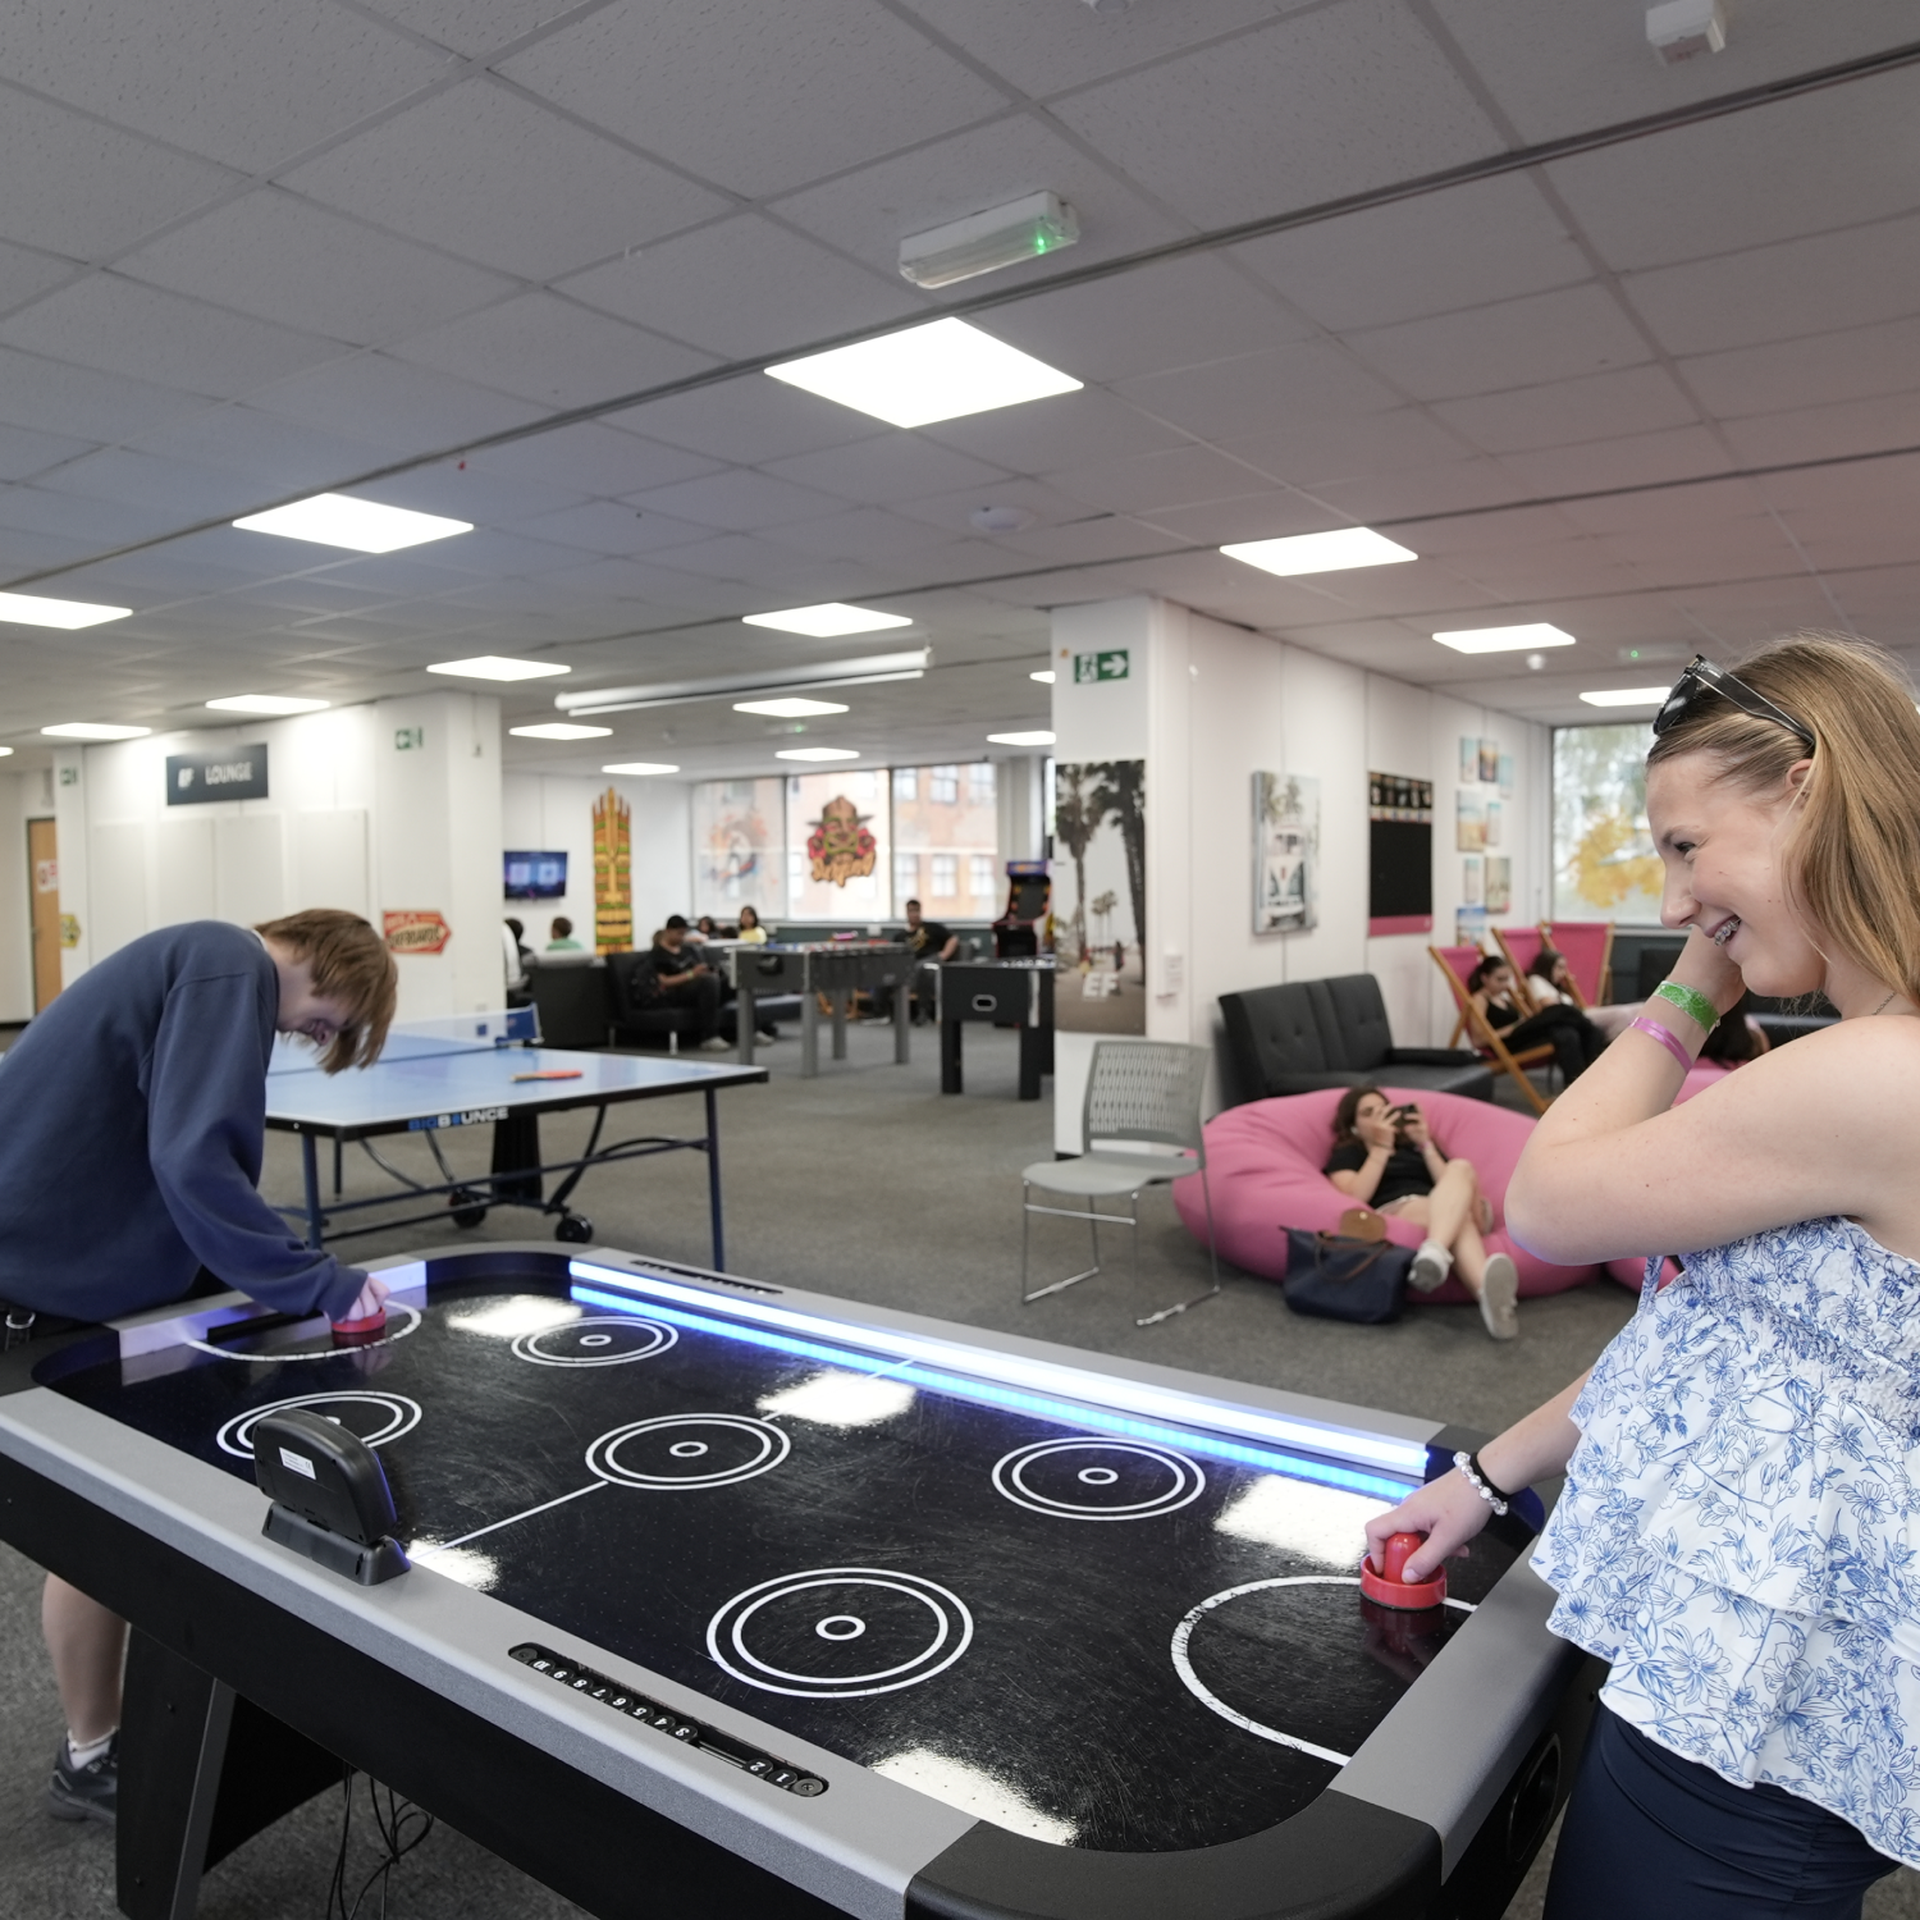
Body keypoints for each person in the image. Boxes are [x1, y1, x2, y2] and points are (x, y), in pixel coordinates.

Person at [1367, 636, 1920, 1918]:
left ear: (1812, 794)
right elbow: (1725, 1337)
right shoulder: (1862, 1055)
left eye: (1685, 846)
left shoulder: (1877, 1073)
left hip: (1755, 1722)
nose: (1672, 898)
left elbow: (1549, 1205)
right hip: (1743, 1679)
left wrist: (1694, 979)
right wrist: (1490, 1474)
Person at [0, 911, 397, 1828]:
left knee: (130, 1506)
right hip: (38, 1291)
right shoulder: (229, 960)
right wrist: (320, 1284)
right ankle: (93, 1756)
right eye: (332, 1023)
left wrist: (281, 1278)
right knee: (101, 1526)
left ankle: (113, 1735)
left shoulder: (203, 968)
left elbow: (166, 1154)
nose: (317, 1038)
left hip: (69, 1269)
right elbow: (193, 1158)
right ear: (335, 965)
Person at [1322, 1087, 1518, 1339]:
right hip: (1404, 1208)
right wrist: (1380, 1148)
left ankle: (1435, 1251)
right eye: (1368, 1113)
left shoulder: (1412, 1146)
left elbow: (1449, 1182)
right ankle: (1489, 1297)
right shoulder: (1350, 1153)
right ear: (1354, 1127)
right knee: (1455, 1218)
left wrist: (1425, 1143)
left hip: (1449, 1203)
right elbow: (1355, 1196)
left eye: (1384, 1109)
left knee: (1460, 1168)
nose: (1380, 1116)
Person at [1467, 954, 1606, 1085]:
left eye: (1507, 979)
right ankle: (1585, 1024)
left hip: (1521, 1035)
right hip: (1508, 1043)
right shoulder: (1479, 999)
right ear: (1484, 978)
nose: (1505, 985)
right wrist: (1514, 1027)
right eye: (1500, 979)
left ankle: (1582, 1086)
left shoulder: (1502, 997)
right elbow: (1478, 1040)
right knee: (1559, 1010)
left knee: (1570, 1034)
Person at [649, 918, 728, 1052]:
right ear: (668, 931)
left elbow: (697, 968)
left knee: (732, 980)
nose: (682, 937)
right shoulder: (657, 954)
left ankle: (752, 1030)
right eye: (679, 933)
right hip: (675, 992)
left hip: (697, 987)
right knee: (708, 982)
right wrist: (692, 975)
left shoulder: (688, 949)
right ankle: (709, 1037)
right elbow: (664, 981)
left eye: (684, 934)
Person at [901, 897, 958, 1024]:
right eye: (911, 911)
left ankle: (923, 1012)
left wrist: (944, 955)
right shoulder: (901, 935)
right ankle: (881, 1012)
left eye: (916, 911)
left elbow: (953, 939)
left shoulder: (931, 927)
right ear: (907, 913)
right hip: (910, 965)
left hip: (933, 962)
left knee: (924, 969)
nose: (914, 914)